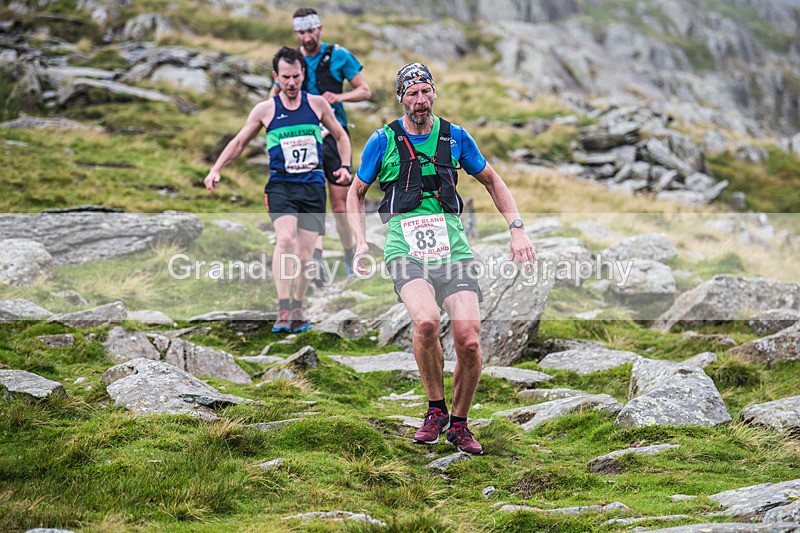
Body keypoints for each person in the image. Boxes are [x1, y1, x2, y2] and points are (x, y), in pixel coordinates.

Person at [347, 63, 536, 455]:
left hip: (453, 249)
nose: (421, 100)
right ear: (400, 97)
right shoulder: (382, 141)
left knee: (469, 341)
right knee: (428, 321)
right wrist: (361, 244)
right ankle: (435, 409)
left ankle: (460, 423)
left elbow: (493, 181)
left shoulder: (455, 138)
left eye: (426, 91)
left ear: (434, 93)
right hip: (405, 248)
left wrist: (517, 228)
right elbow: (356, 192)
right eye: (412, 93)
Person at [205, 46, 351, 334]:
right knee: (285, 240)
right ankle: (283, 306)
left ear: (303, 74)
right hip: (281, 186)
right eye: (286, 77)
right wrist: (216, 168)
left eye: (296, 76)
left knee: (306, 256)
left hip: (312, 187)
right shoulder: (266, 109)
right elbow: (238, 143)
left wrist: (345, 165)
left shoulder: (318, 104)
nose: (292, 82)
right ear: (276, 77)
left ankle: (297, 306)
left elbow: (341, 135)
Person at [271, 7, 371, 284]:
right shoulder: (291, 62)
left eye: (310, 31)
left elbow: (365, 90)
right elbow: (274, 95)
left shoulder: (338, 55)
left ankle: (350, 252)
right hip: (303, 137)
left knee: (340, 205)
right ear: (296, 33)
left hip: (334, 134)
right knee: (313, 200)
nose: (307, 37)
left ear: (320, 29)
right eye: (301, 32)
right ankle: (316, 259)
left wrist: (340, 98)